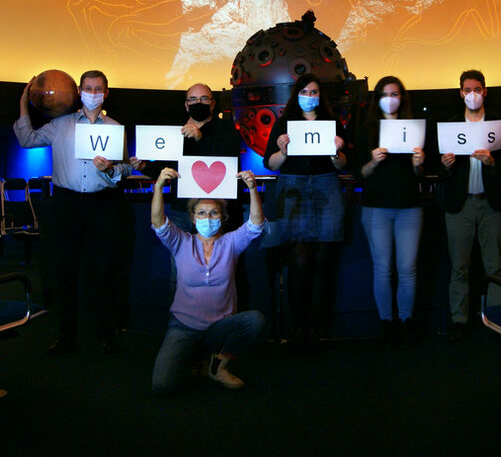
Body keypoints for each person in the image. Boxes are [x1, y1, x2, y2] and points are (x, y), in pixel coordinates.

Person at [14, 70, 132, 355]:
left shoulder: (116, 127)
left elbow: (126, 168)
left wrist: (112, 169)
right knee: (66, 271)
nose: (93, 93)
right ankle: (66, 336)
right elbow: (27, 140)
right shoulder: (59, 125)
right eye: (88, 88)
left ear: (106, 92)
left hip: (103, 204)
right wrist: (22, 104)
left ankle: (106, 333)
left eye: (98, 88)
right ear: (79, 91)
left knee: (104, 271)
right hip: (66, 204)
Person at [150, 167, 265, 394]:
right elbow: (158, 221)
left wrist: (252, 188)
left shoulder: (232, 242)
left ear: (222, 217)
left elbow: (256, 224)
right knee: (162, 386)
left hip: (220, 327)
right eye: (201, 213)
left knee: (254, 320)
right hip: (184, 327)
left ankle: (217, 364)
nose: (208, 218)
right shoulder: (180, 241)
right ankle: (195, 358)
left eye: (213, 213)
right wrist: (159, 186)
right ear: (192, 218)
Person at [262, 73, 347, 351]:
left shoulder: (331, 124)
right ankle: (298, 326)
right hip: (293, 188)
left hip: (325, 186)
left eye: (314, 92)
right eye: (305, 91)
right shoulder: (284, 123)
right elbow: (271, 164)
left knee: (323, 262)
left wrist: (337, 152)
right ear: (296, 93)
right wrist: (283, 150)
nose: (310, 96)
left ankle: (317, 326)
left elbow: (342, 164)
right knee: (299, 261)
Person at [440, 69, 501, 342]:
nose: (473, 94)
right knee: (460, 267)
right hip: (460, 206)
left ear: (485, 91)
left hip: (491, 204)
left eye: (477, 89)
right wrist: (445, 166)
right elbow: (439, 168)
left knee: (495, 267)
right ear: (461, 93)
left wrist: (493, 163)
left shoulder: (498, 124)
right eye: (467, 90)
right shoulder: (450, 125)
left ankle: (496, 319)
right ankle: (459, 320)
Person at [353, 76, 425, 346]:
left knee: (407, 269)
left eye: (395, 93)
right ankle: (386, 323)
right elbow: (359, 173)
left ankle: (406, 321)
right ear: (377, 98)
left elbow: (420, 173)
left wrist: (419, 163)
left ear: (402, 97)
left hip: (409, 205)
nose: (390, 98)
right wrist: (372, 162)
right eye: (385, 94)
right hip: (375, 206)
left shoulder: (414, 128)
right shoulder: (366, 130)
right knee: (382, 269)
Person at [134, 83, 243, 232]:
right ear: (186, 105)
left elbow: (229, 158)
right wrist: (144, 167)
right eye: (193, 99)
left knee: (219, 254)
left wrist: (200, 137)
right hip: (182, 210)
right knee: (183, 254)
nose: (198, 103)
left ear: (212, 103)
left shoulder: (227, 128)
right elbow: (166, 169)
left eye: (204, 98)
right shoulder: (175, 131)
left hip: (218, 210)